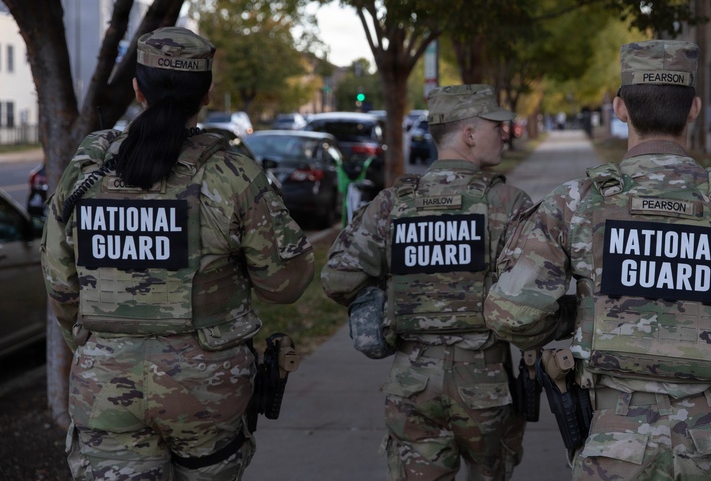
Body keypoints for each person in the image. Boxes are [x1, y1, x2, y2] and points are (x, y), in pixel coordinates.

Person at [484, 39, 711, 480]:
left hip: (614, 442)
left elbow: (510, 315)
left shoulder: (574, 203)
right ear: (693, 109)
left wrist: (579, 318)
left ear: (619, 108)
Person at [41, 27, 315, 480]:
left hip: (105, 387)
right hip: (206, 392)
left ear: (136, 88)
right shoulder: (230, 169)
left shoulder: (88, 166)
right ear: (207, 94)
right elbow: (283, 284)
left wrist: (100, 345)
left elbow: (59, 282)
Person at [322, 84, 534, 480]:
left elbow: (337, 277)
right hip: (486, 390)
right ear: (469, 135)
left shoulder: (392, 204)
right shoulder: (508, 204)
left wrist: (385, 308)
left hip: (412, 385)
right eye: (496, 126)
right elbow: (533, 302)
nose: (504, 133)